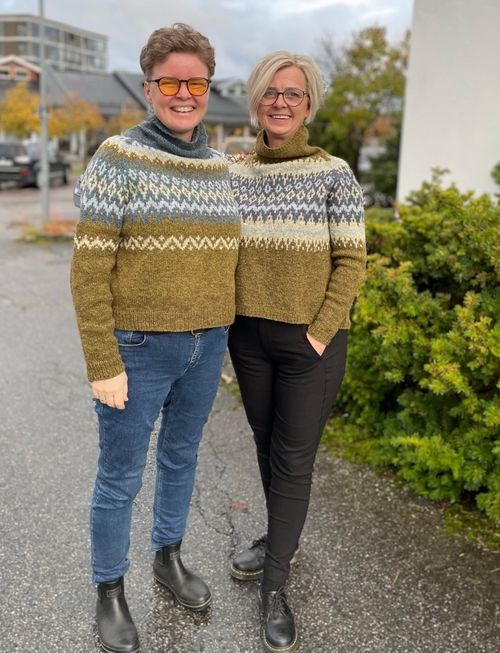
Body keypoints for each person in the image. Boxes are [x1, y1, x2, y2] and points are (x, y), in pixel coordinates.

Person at [70, 23, 240, 653]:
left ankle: (168, 556)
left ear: (208, 88)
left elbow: (226, 262)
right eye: (170, 83)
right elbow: (89, 270)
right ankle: (109, 589)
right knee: (120, 476)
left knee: (181, 458)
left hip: (206, 346)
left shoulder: (220, 168)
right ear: (148, 88)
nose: (184, 94)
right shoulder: (117, 157)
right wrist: (101, 360)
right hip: (137, 350)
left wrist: (223, 338)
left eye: (195, 82)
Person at [227, 51, 366, 653]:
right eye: (271, 92)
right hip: (248, 340)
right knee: (266, 447)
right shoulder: (233, 172)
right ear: (256, 100)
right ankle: (281, 540)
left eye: (294, 94)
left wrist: (320, 331)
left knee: (292, 460)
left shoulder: (334, 173)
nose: (281, 103)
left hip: (312, 342)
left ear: (309, 105)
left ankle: (275, 586)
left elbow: (351, 260)